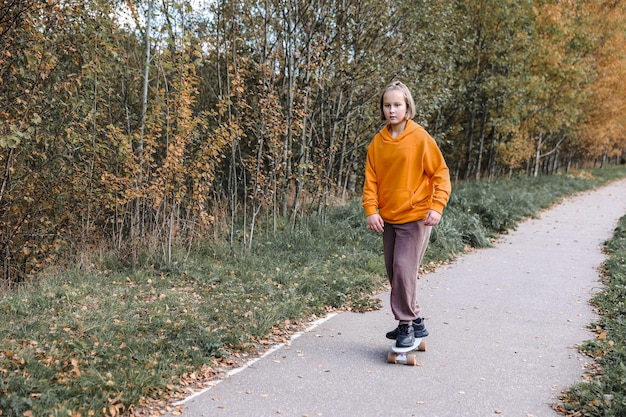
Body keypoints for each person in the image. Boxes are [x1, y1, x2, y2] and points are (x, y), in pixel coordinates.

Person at [362, 80, 451, 348]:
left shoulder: (420, 138)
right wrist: (371, 210)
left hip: (416, 218)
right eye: (387, 105)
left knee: (403, 269)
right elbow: (371, 181)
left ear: (407, 106)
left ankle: (406, 326)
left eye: (397, 105)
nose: (392, 110)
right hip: (389, 218)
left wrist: (436, 207)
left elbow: (441, 174)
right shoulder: (377, 143)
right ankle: (418, 321)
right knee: (395, 272)